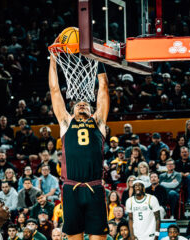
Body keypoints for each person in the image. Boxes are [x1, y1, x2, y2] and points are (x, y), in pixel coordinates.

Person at [49, 55, 110, 240]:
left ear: (92, 110)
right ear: (72, 110)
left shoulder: (98, 122)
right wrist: (53, 60)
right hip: (72, 188)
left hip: (95, 187)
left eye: (86, 104)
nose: (81, 104)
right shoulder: (66, 123)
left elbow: (104, 88)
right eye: (77, 104)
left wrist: (98, 57)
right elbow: (54, 90)